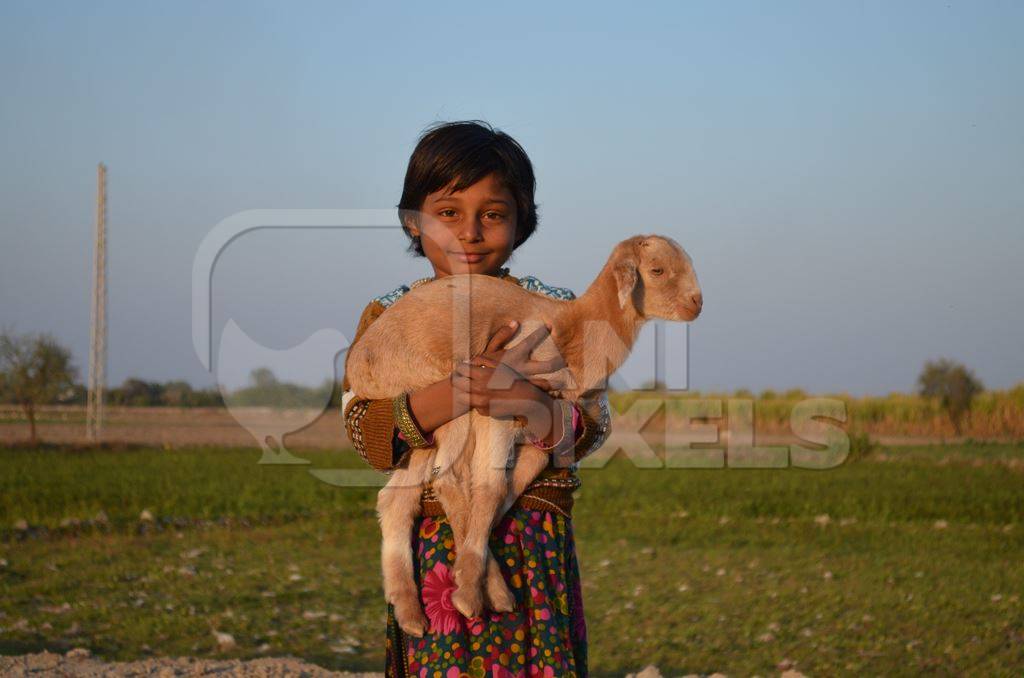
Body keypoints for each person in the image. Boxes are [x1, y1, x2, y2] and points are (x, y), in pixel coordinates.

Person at [340, 120, 611, 678]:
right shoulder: (388, 318)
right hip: (433, 540)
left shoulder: (553, 312)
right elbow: (368, 434)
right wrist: (459, 392)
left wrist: (524, 402)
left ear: (521, 223)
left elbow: (590, 426)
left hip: (530, 542)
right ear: (413, 223)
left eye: (492, 213)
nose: (469, 232)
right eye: (448, 213)